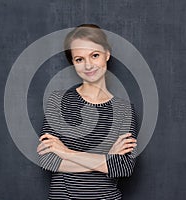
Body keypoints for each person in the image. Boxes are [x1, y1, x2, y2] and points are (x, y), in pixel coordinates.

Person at [37, 24, 138, 200]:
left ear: (106, 54)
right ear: (73, 63)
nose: (88, 65)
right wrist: (107, 159)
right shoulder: (58, 101)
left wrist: (66, 153)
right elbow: (48, 161)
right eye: (79, 59)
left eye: (95, 55)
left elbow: (123, 167)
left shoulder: (124, 110)